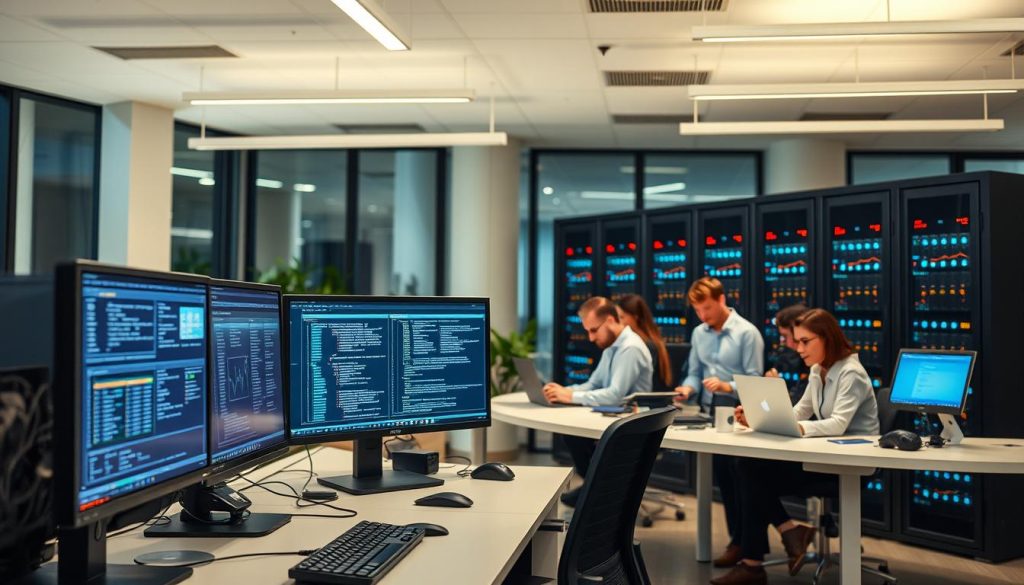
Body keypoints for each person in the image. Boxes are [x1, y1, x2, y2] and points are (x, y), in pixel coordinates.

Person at [711, 308, 880, 585]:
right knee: (747, 465)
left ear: (827, 338)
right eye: (797, 341)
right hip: (825, 456)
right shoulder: (818, 370)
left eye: (805, 341)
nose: (798, 348)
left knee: (750, 473)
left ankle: (764, 556)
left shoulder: (852, 373)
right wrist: (757, 418)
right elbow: (800, 411)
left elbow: (838, 423)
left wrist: (798, 428)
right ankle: (779, 540)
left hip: (850, 464)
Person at [674, 277, 764, 568]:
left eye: (708, 308)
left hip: (739, 413)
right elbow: (694, 372)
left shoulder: (747, 333)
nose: (703, 316)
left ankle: (742, 544)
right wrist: (687, 388)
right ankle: (737, 541)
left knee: (740, 478)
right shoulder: (699, 333)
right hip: (708, 412)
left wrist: (727, 386)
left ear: (723, 299)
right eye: (698, 311)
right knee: (724, 481)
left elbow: (756, 380)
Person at [543, 296, 653, 506]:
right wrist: (564, 391)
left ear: (611, 320)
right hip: (614, 417)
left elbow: (615, 395)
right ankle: (597, 487)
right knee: (572, 433)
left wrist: (572, 397)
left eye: (594, 330)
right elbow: (594, 384)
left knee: (575, 435)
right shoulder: (612, 347)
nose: (591, 338)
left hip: (633, 425)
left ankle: (597, 489)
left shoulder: (630, 348)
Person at [616, 293, 673, 392]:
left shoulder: (642, 345)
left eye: (622, 317)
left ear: (635, 317)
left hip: (648, 404)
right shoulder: (650, 340)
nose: (619, 323)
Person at [765, 303, 810, 405]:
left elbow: (800, 414)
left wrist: (778, 390)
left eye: (785, 336)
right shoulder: (795, 360)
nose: (783, 342)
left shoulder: (814, 366)